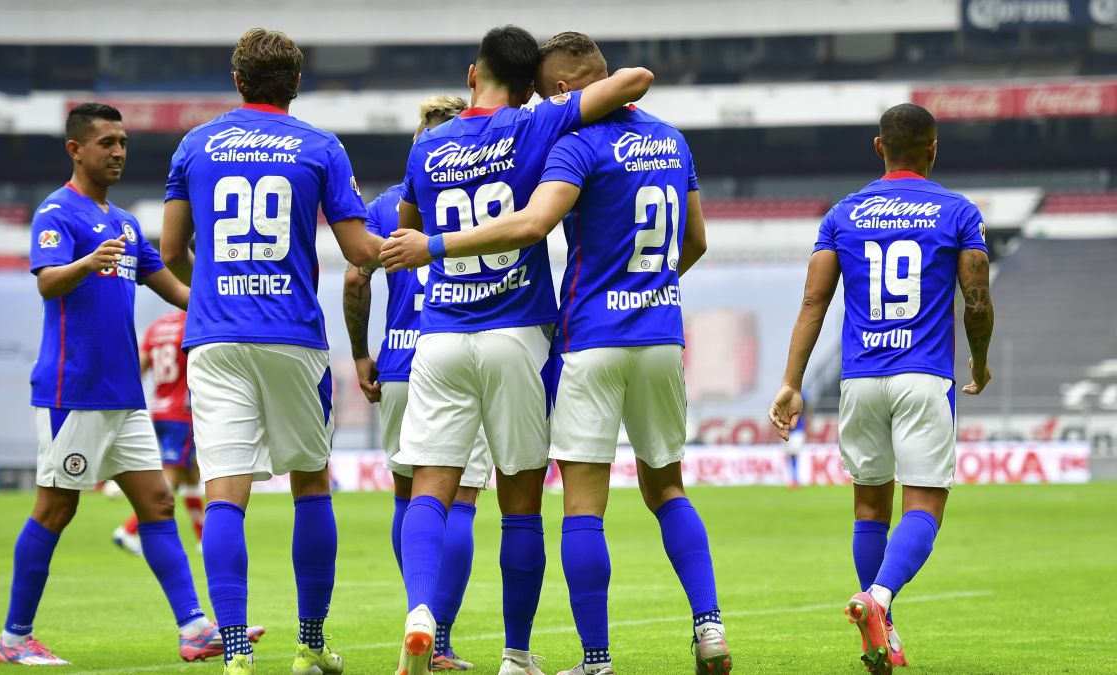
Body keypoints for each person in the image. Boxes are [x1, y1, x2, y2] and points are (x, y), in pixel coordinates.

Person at [382, 31, 728, 675]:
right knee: (642, 491)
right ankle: (688, 630)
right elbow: (695, 238)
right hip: (614, 331)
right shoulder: (648, 138)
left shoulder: (443, 143)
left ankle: (433, 618)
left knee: (452, 491)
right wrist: (648, 289)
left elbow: (435, 221)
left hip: (488, 333)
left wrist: (431, 248)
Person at [0, 102, 259, 667]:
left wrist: (221, 309)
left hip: (123, 396)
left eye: (122, 143)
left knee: (158, 503)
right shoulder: (56, 214)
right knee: (55, 511)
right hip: (74, 392)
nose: (117, 152)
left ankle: (193, 629)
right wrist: (88, 263)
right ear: (76, 149)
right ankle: (14, 639)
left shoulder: (126, 222)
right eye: (106, 142)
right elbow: (47, 285)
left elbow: (169, 285)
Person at [159, 28, 380, 675]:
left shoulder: (196, 144)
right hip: (292, 336)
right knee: (311, 482)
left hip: (217, 337)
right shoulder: (320, 147)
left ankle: (233, 653)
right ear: (296, 84)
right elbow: (360, 250)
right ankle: (310, 644)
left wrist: (217, 284)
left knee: (225, 493)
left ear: (237, 81)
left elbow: (171, 251)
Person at [767, 103, 994, 674]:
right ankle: (881, 600)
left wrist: (791, 383)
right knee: (926, 506)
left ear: (878, 148)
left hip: (861, 378)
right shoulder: (958, 211)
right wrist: (982, 363)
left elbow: (814, 302)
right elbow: (977, 300)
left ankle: (879, 630)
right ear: (934, 148)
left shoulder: (842, 213)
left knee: (870, 505)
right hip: (922, 377)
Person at [342, 94, 491, 672]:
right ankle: (441, 638)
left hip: (399, 363)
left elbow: (357, 281)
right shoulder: (480, 196)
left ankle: (416, 613)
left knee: (410, 497)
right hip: (459, 358)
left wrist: (360, 355)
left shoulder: (384, 207)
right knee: (462, 501)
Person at [113, 310, 206, 556]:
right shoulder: (198, 321)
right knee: (172, 475)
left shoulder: (157, 326)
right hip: (184, 412)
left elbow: (139, 370)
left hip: (160, 409)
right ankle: (129, 529)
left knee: (192, 473)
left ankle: (203, 539)